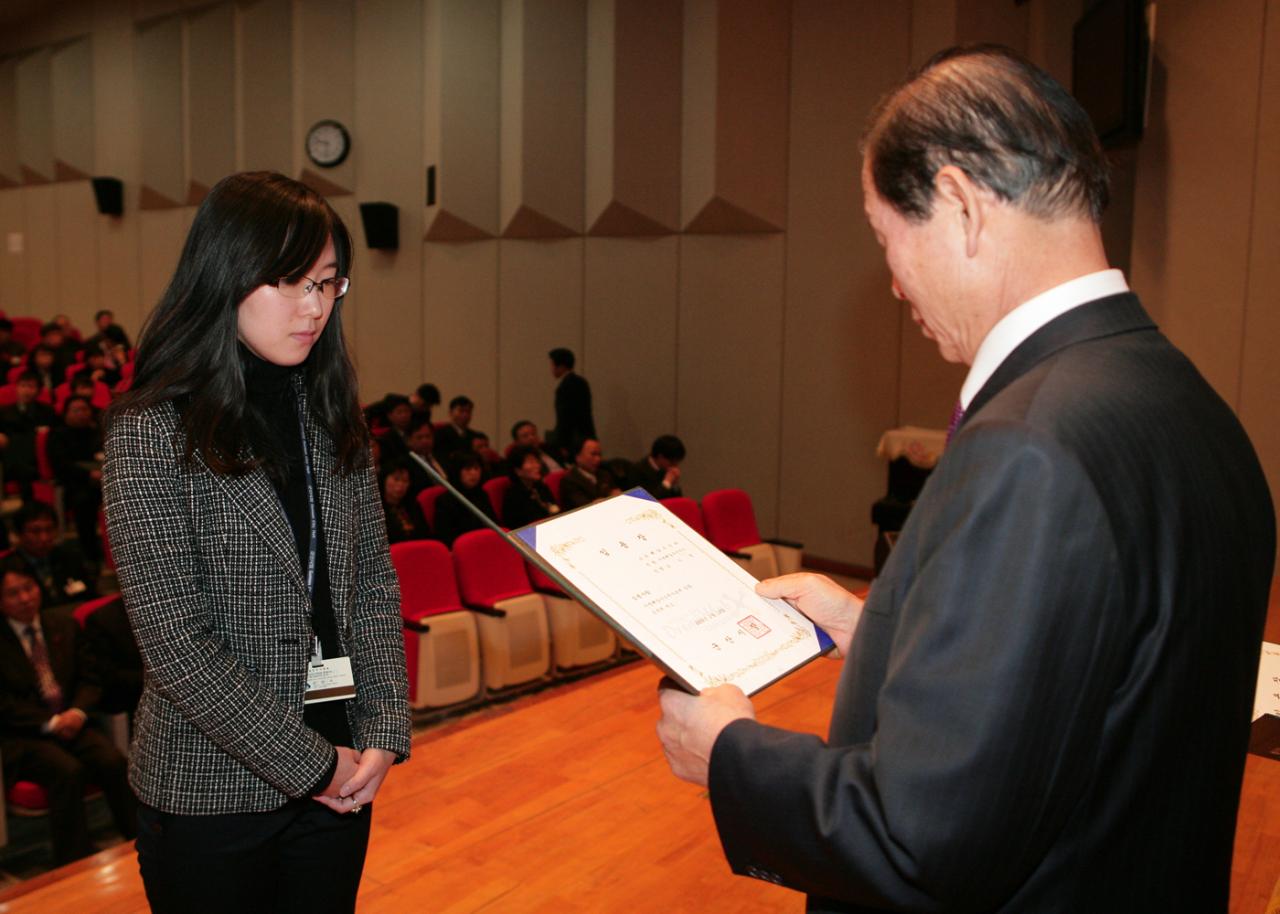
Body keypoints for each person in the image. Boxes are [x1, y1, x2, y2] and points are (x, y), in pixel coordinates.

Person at [656, 45, 1275, 913]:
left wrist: (728, 755)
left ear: (959, 205)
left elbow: (921, 842)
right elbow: (1096, 670)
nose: (895, 281)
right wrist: (886, 624)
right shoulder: (1191, 407)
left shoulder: (1029, 445)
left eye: (885, 238)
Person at [102, 171, 411, 914]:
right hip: (213, 791)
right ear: (225, 277)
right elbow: (176, 644)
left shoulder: (331, 413)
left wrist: (383, 729)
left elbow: (370, 581)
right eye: (289, 283)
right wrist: (314, 766)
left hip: (342, 771)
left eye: (328, 285)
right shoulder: (151, 431)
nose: (313, 309)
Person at [0, 558, 136, 865]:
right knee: (67, 771)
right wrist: (49, 722)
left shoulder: (62, 624)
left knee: (113, 761)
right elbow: (5, 705)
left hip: (72, 720)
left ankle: (136, 841)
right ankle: (73, 861)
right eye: (13, 593)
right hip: (24, 737)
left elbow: (91, 677)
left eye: (28, 588)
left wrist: (77, 712)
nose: (24, 598)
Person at [47, 395, 105, 562]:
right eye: (76, 410)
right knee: (84, 502)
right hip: (74, 484)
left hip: (101, 481)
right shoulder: (58, 435)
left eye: (84, 409)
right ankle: (90, 556)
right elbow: (61, 465)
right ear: (66, 414)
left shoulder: (97, 432)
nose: (81, 414)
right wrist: (88, 474)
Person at [11, 501, 98, 608]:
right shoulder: (10, 567)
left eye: (49, 529)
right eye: (35, 531)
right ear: (19, 534)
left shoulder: (70, 558)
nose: (44, 538)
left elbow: (91, 598)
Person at [0, 370, 56, 497]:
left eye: (31, 387)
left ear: (38, 390)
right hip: (10, 456)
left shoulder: (47, 411)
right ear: (16, 388)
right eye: (23, 386)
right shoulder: (4, 412)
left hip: (36, 457)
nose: (26, 390)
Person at [432, 451, 497, 547]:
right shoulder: (445, 501)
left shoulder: (482, 495)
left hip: (485, 544)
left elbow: (493, 525)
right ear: (457, 471)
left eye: (476, 468)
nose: (474, 473)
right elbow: (446, 538)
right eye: (468, 469)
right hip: (462, 549)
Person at [548, 347, 594, 461]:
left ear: (561, 366)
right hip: (585, 434)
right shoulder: (581, 382)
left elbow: (565, 417)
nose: (551, 369)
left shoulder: (565, 386)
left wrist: (562, 444)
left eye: (552, 365)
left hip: (573, 440)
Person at [502, 443, 560, 528]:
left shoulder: (540, 486)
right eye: (531, 462)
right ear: (518, 470)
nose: (537, 466)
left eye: (537, 461)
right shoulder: (513, 496)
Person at [380, 458, 432, 545]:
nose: (400, 485)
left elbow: (425, 534)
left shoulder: (412, 505)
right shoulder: (374, 508)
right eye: (396, 479)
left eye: (405, 481)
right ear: (384, 479)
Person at [558, 437, 618, 511]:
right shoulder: (569, 481)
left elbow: (615, 491)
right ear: (578, 457)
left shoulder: (604, 474)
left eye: (599, 454)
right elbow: (585, 507)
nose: (598, 459)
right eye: (593, 454)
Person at [403, 414, 448, 495]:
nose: (425, 441)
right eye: (419, 437)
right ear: (408, 440)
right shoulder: (405, 464)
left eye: (428, 436)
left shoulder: (442, 456)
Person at [631, 434, 685, 499]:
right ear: (661, 457)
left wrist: (674, 484)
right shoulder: (638, 470)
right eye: (672, 462)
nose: (675, 466)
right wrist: (667, 482)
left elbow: (677, 500)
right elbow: (648, 502)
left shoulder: (666, 469)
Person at [433, 395, 483, 463]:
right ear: (450, 412)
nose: (465, 415)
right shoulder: (440, 434)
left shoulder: (475, 436)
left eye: (468, 411)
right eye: (461, 411)